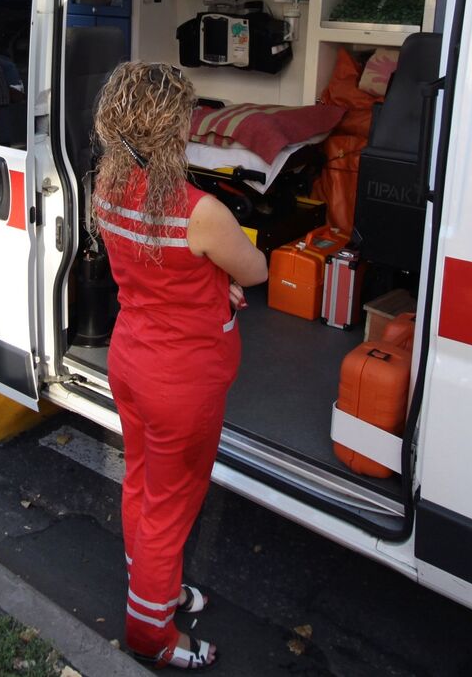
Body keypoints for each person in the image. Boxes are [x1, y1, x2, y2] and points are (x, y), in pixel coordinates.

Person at [92, 62, 267, 669]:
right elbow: (258, 271)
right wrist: (225, 278)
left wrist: (212, 282)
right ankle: (151, 634)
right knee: (172, 506)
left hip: (132, 360)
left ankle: (156, 592)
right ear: (174, 128)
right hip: (182, 383)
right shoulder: (202, 211)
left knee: (141, 483)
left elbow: (160, 271)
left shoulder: (106, 189)